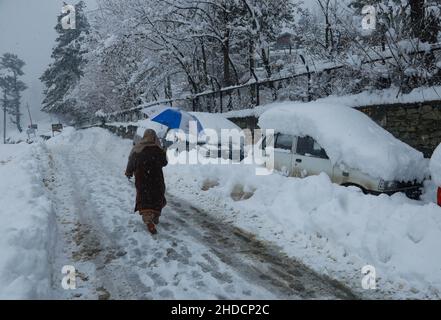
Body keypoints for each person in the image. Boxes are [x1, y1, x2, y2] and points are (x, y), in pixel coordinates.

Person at [125, 129, 168, 235]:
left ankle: (148, 219)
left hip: (142, 179)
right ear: (154, 137)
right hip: (156, 178)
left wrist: (128, 172)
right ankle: (156, 215)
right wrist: (164, 151)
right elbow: (164, 163)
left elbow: (131, 162)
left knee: (144, 197)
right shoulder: (158, 149)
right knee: (157, 196)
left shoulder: (137, 149)